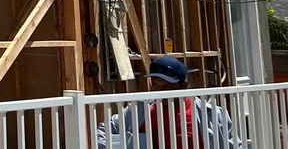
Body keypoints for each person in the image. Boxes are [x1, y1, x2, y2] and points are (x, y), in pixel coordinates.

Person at [95, 56, 243, 149]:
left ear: (183, 86)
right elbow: (105, 130)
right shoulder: (139, 111)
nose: (158, 91)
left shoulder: (211, 114)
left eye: (166, 86)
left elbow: (234, 145)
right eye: (154, 84)